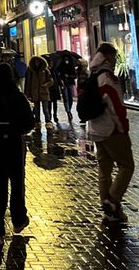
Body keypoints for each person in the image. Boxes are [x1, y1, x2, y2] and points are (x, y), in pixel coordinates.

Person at [0, 62, 36, 246]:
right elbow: (29, 122)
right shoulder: (18, 97)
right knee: (17, 183)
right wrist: (17, 130)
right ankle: (18, 221)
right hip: (14, 145)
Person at [87, 42, 134, 223]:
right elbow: (116, 106)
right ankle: (112, 200)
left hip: (96, 128)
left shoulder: (92, 75)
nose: (116, 60)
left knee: (104, 170)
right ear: (108, 57)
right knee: (127, 165)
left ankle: (110, 212)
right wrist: (123, 127)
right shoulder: (107, 78)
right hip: (111, 129)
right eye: (114, 56)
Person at [24, 55, 54, 128]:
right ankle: (37, 121)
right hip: (34, 93)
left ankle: (48, 121)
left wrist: (45, 85)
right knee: (36, 110)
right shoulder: (30, 71)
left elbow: (51, 81)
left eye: (38, 61)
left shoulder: (45, 70)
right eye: (35, 61)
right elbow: (28, 83)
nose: (36, 63)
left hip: (44, 92)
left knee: (45, 109)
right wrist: (27, 94)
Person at [57, 52, 78, 122]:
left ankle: (69, 109)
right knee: (66, 98)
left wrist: (68, 76)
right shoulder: (60, 66)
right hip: (63, 84)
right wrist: (61, 79)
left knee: (70, 98)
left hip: (70, 83)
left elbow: (75, 76)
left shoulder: (71, 67)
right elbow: (58, 75)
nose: (66, 60)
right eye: (65, 59)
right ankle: (68, 111)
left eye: (67, 59)